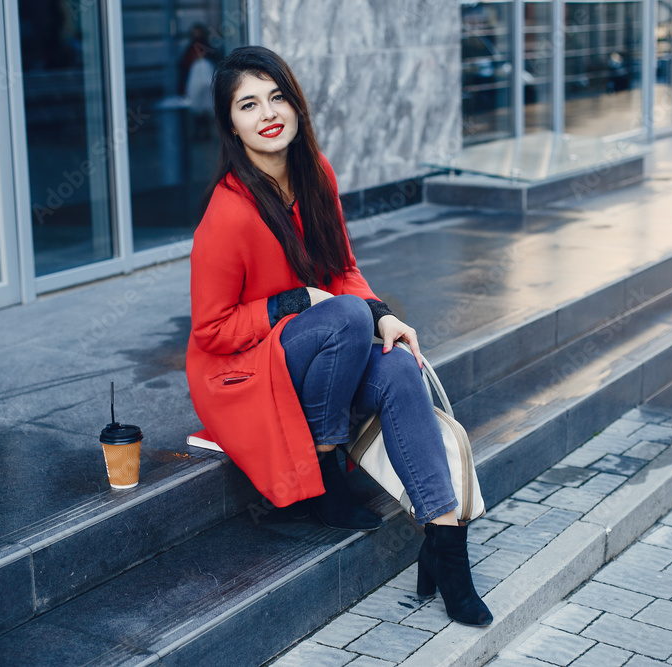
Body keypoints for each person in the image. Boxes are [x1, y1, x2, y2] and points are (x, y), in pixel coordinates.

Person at [185, 46, 492, 627]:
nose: (267, 113)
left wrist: (382, 314)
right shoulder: (227, 214)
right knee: (346, 317)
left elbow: (342, 269)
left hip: (320, 349)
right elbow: (211, 331)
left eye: (277, 97)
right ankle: (326, 462)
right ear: (230, 124)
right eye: (248, 105)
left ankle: (446, 545)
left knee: (397, 363)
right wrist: (294, 302)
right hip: (245, 371)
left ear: (295, 104)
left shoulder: (316, 174)